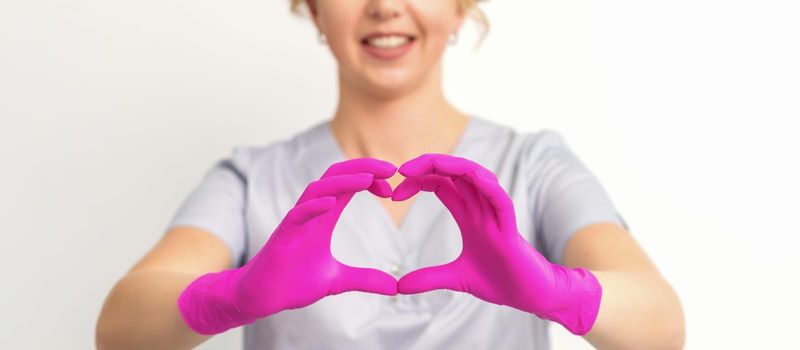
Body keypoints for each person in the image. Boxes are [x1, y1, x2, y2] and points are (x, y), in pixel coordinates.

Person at [96, 1, 685, 349]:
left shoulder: (535, 165)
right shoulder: (251, 178)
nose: (384, 3)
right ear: (313, 7)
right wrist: (227, 297)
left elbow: (662, 324)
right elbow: (119, 327)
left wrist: (560, 293)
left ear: (459, 6)